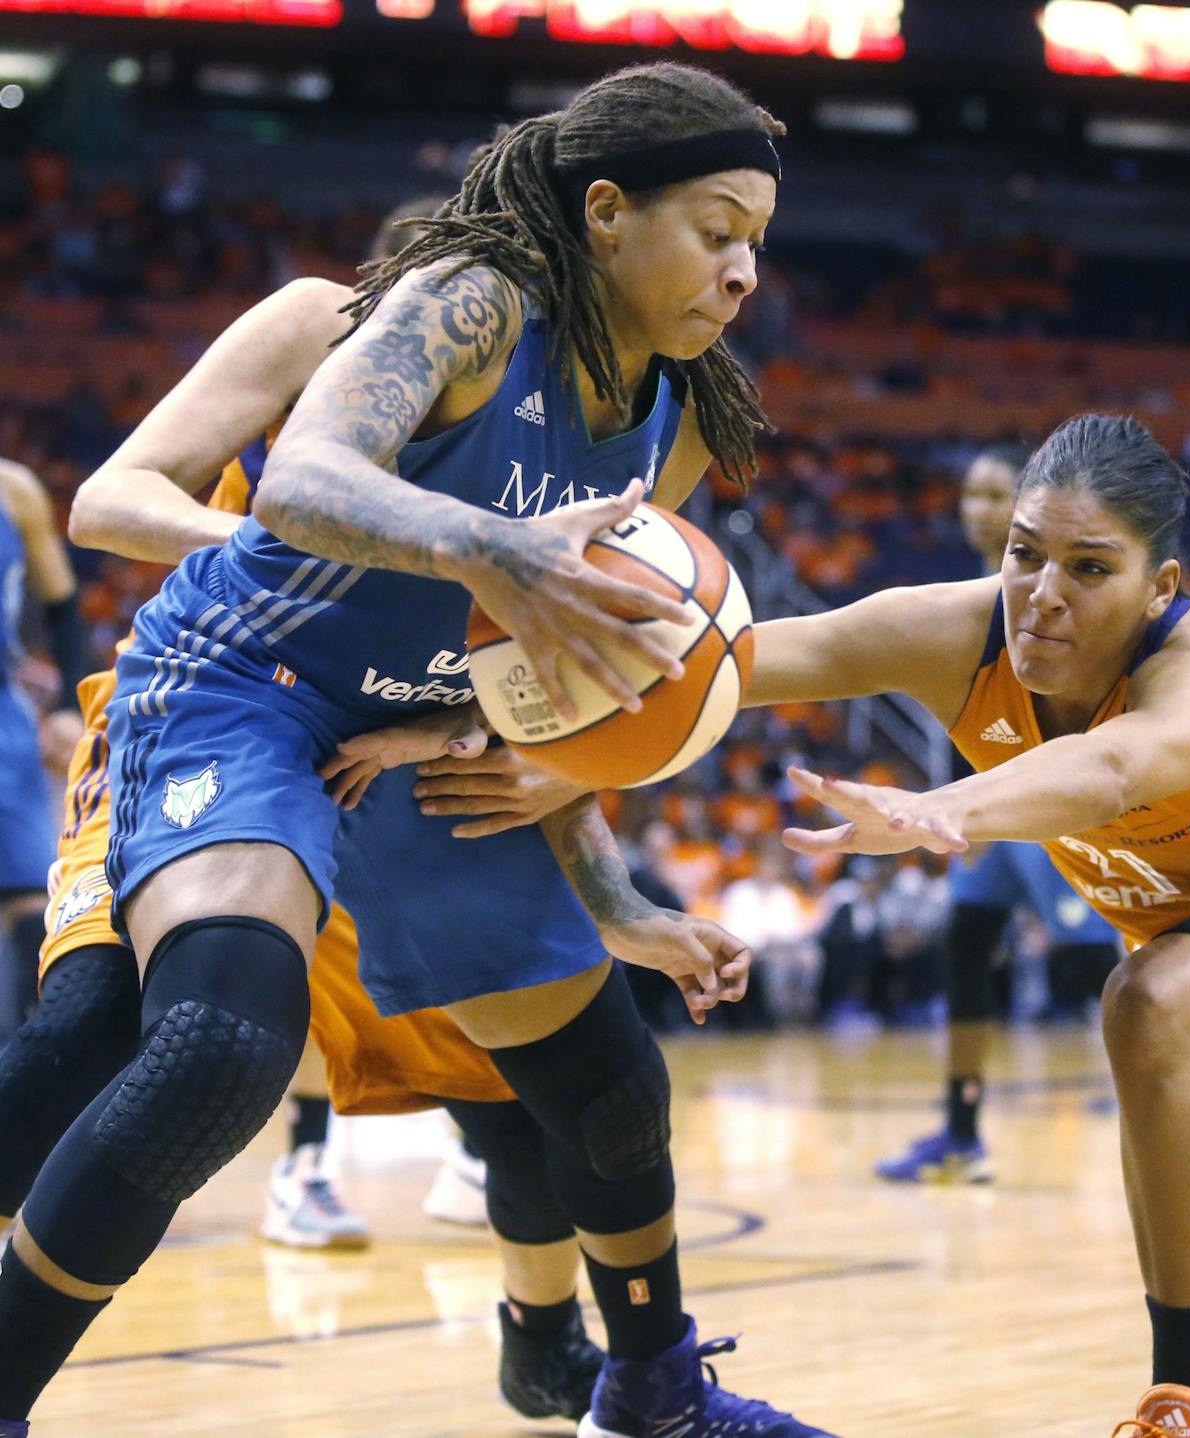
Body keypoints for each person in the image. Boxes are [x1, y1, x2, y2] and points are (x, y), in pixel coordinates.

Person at [0, 64, 835, 1438]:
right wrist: (496, 551)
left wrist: (613, 890)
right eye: (717, 230)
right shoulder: (472, 300)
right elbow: (302, 482)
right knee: (212, 1039)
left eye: (759, 240)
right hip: (247, 688)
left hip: (407, 734)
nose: (745, 272)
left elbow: (546, 687)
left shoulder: (677, 426)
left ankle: (646, 1388)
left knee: (606, 1082)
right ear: (606, 213)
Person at [745, 413, 1190, 1437]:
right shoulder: (958, 631)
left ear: (1159, 587)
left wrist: (946, 813)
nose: (1042, 592)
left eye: (1088, 568)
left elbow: (1110, 770)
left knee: (1150, 1001)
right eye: (1025, 553)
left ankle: (1182, 1405)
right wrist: (532, 684)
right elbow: (746, 659)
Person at [8, 278, 604, 1420]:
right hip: (212, 710)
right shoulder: (333, 334)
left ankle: (544, 1340)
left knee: (518, 1091)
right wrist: (292, 551)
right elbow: (111, 504)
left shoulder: (553, 431)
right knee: (106, 1025)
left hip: (383, 761)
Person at [877, 441, 1120, 1185]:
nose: (975, 509)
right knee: (965, 952)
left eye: (994, 495)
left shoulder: (1051, 600)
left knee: (1091, 965)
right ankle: (960, 1133)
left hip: (1047, 814)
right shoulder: (964, 601)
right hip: (988, 821)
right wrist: (964, 817)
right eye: (971, 495)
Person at [0, 460, 86, 1039]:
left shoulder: (14, 489)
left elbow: (64, 605)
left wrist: (67, 707)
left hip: (4, 718)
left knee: (34, 897)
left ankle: (31, 1087)